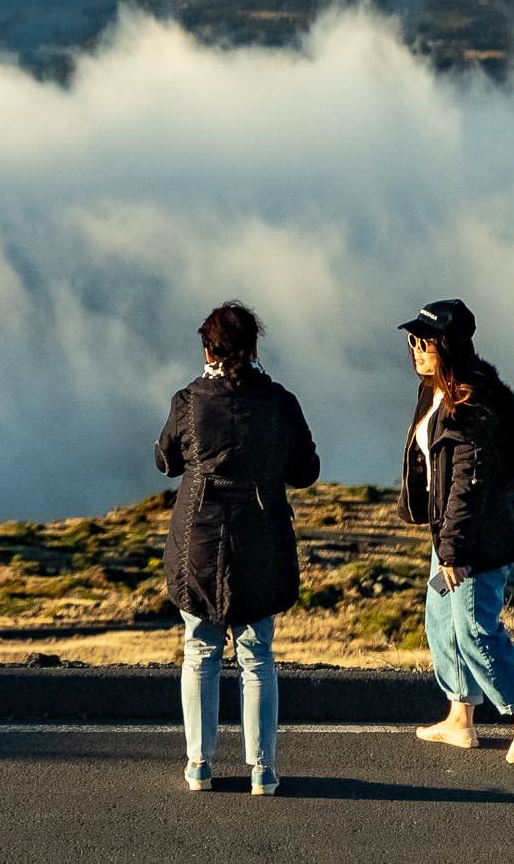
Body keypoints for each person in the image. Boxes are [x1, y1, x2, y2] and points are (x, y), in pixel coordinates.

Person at [154, 300, 321, 796]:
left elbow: (165, 460)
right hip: (261, 537)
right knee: (257, 654)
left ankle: (199, 765)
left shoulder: (188, 401)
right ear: (253, 348)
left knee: (200, 650)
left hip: (198, 540)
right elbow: (306, 470)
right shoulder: (280, 402)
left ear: (207, 348)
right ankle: (262, 769)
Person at [397, 297, 514, 764]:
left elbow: (470, 482)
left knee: (475, 631)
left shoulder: (472, 401)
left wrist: (453, 550)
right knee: (440, 621)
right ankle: (460, 719)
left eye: (422, 341)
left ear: (445, 344)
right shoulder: (436, 389)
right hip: (449, 530)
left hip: (475, 538)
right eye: (411, 340)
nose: (414, 349)